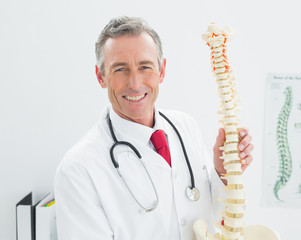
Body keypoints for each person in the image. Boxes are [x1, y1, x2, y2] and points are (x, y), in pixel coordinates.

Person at [54, 16, 254, 240]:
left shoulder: (185, 126)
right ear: (101, 76)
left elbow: (215, 221)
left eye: (145, 66)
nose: (135, 83)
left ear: (162, 70)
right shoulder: (78, 168)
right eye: (120, 69)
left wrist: (224, 173)